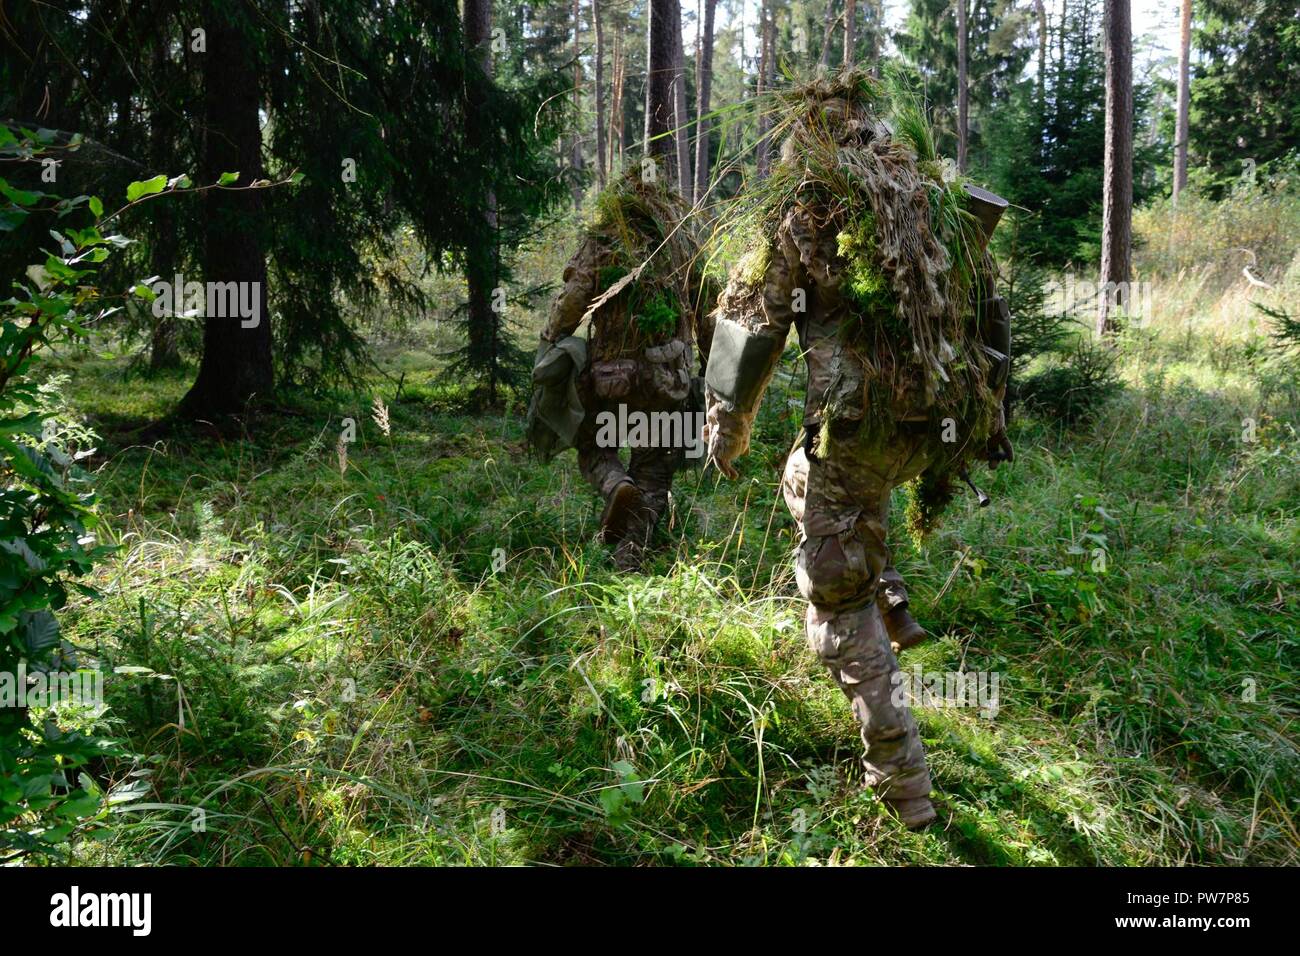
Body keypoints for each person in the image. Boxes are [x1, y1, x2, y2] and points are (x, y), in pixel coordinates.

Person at [703, 71, 1013, 828]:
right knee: (802, 479)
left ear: (807, 142)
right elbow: (991, 317)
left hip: (858, 422)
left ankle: (901, 777)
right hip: (927, 424)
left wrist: (727, 421)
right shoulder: (925, 199)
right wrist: (986, 425)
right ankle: (890, 592)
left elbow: (755, 323)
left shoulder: (808, 207)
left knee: (830, 587)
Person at [533, 165, 714, 569]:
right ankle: (629, 556)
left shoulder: (601, 242)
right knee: (655, 467)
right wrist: (710, 366)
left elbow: (572, 301)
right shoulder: (680, 243)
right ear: (664, 204)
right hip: (668, 382)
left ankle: (615, 485)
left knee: (595, 445)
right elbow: (707, 311)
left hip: (609, 381)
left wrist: (551, 338)